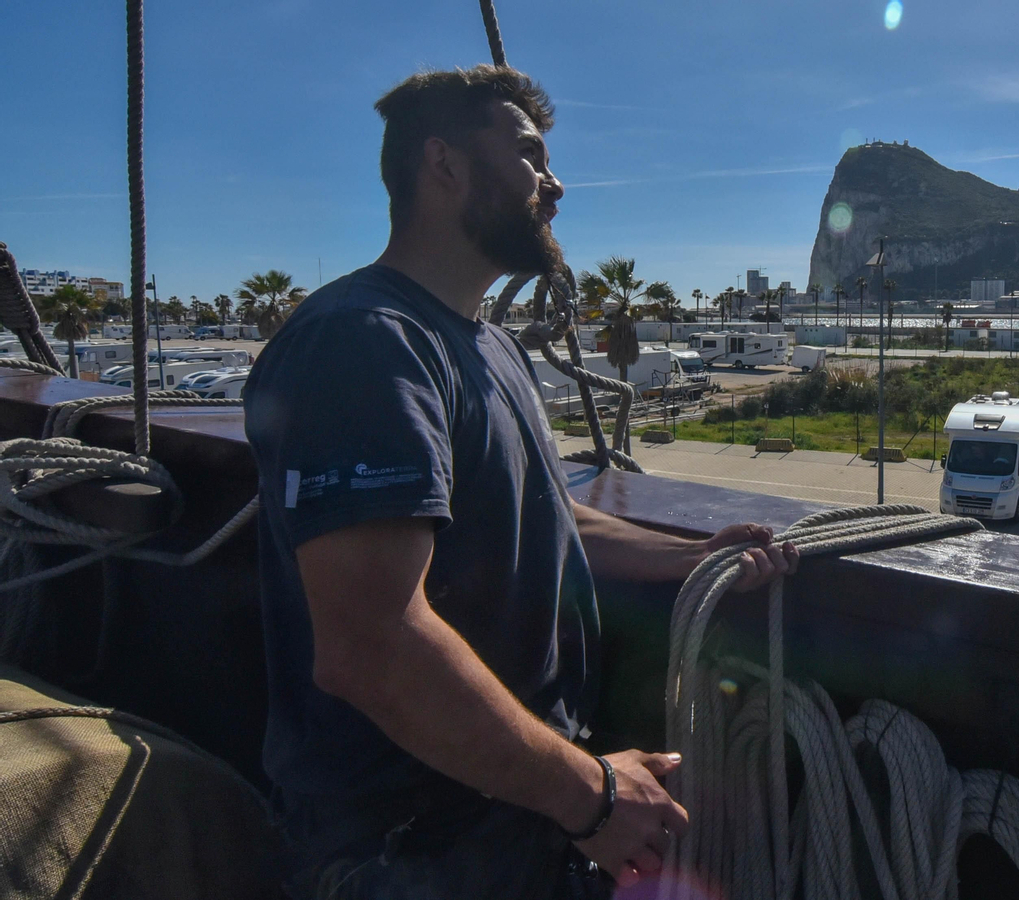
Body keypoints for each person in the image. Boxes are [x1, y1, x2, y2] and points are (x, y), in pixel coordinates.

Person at [243, 65, 799, 900]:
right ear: (444, 165)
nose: (555, 183)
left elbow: (541, 511)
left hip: (515, 817)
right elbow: (369, 644)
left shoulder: (486, 344)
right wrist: (592, 796)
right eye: (531, 156)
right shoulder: (364, 344)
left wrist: (685, 557)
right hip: (407, 851)